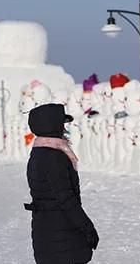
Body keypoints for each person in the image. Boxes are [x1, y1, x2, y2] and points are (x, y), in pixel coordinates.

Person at [25, 103, 99, 264]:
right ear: (52, 126)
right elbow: (66, 199)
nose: (64, 128)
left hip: (46, 232)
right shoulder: (54, 157)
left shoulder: (38, 153)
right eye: (62, 124)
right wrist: (87, 228)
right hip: (61, 234)